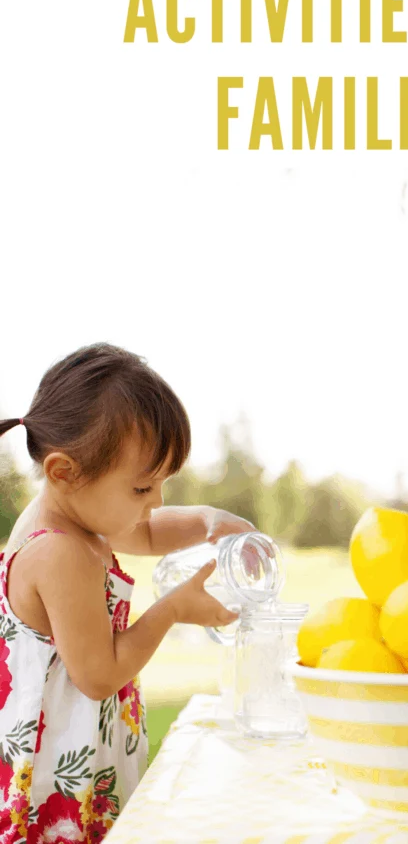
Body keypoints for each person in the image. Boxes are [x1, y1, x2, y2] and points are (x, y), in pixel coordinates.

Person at [0, 343, 254, 843]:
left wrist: (206, 523)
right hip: (53, 785)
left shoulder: (82, 517)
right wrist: (174, 608)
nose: (156, 501)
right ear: (64, 472)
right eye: (142, 488)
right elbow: (97, 675)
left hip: (81, 757)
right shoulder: (60, 553)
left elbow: (149, 532)